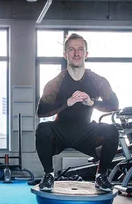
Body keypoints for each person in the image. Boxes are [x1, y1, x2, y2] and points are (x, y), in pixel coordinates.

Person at [35, 33, 120, 192]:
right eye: (72, 49)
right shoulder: (56, 82)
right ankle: (48, 175)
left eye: (80, 49)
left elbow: (114, 105)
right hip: (60, 132)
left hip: (86, 132)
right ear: (65, 54)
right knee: (43, 129)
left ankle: (101, 176)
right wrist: (67, 102)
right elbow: (41, 111)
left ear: (86, 54)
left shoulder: (97, 81)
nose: (76, 53)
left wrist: (91, 103)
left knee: (111, 131)